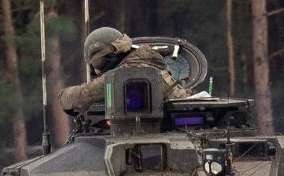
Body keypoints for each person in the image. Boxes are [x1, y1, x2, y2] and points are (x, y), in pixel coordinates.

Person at [59, 27, 191, 113]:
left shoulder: (124, 76)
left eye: (95, 64)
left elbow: (80, 96)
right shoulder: (149, 63)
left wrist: (63, 95)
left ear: (110, 56)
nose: (95, 71)